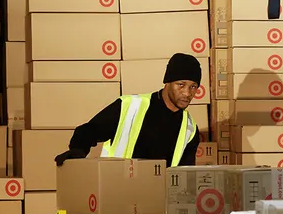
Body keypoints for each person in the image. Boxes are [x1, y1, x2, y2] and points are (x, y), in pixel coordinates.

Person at [55, 53, 201, 167]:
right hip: (119, 193)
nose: (187, 93)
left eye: (193, 86)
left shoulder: (190, 129)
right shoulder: (130, 106)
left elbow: (184, 174)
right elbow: (89, 131)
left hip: (158, 200)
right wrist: (77, 151)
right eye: (181, 84)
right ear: (167, 82)